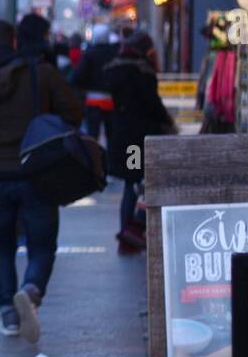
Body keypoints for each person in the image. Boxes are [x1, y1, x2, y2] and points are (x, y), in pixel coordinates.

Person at [0, 17, 82, 343]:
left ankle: (8, 315)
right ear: (13, 42)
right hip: (35, 171)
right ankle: (32, 289)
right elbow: (74, 111)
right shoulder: (39, 73)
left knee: (2, 245)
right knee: (43, 243)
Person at [102, 30, 175, 254]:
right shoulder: (142, 71)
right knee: (141, 183)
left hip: (120, 135)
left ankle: (127, 233)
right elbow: (153, 105)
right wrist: (168, 123)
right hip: (141, 137)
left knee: (130, 184)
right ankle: (132, 230)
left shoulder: (112, 69)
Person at [71, 22, 118, 144]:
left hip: (93, 100)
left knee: (92, 137)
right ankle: (111, 161)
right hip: (113, 101)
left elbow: (77, 77)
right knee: (112, 137)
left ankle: (95, 161)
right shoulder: (115, 54)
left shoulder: (89, 54)